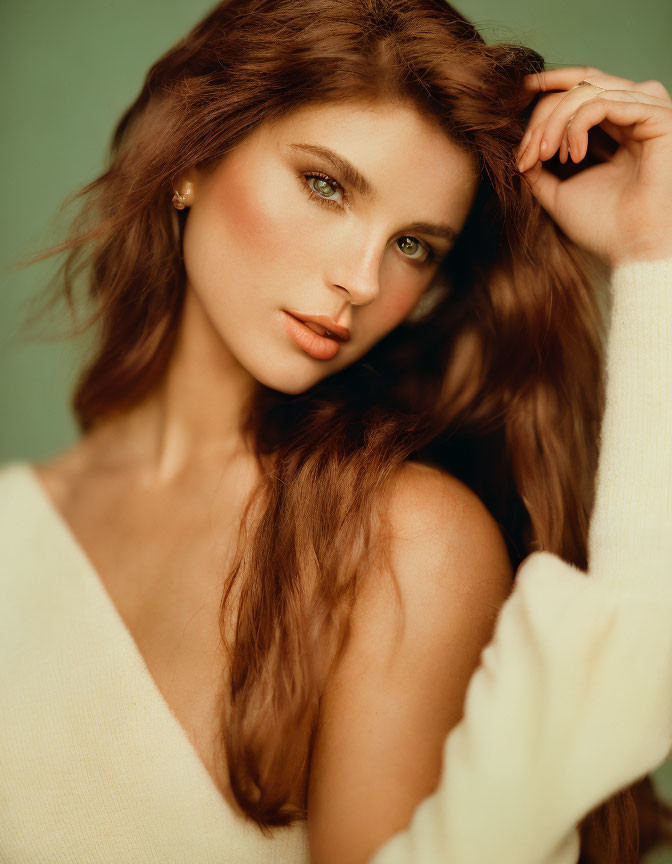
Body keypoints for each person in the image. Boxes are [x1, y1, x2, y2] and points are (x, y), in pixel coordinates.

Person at [0, 1, 671, 863]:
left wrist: (652, 260)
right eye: (326, 186)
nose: (360, 279)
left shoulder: (396, 540)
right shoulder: (17, 527)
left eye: (415, 245)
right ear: (192, 159)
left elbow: (620, 692)